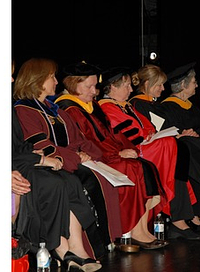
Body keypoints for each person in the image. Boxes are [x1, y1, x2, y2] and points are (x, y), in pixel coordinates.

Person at [13, 57, 122, 261]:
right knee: (86, 180)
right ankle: (86, 249)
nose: (56, 81)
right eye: (51, 77)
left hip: (65, 161)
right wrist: (75, 158)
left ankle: (104, 242)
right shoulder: (24, 109)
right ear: (37, 79)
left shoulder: (55, 110)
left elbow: (77, 140)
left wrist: (88, 153)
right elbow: (39, 145)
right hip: (47, 165)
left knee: (103, 179)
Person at [55, 61, 167, 249]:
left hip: (105, 154)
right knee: (130, 167)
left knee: (143, 165)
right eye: (89, 86)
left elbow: (111, 134)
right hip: (91, 159)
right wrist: (116, 154)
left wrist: (127, 149)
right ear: (74, 84)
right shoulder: (69, 108)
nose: (95, 91)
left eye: (95, 86)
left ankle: (141, 228)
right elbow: (86, 141)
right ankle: (128, 230)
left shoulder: (90, 105)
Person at [98, 67, 200, 240]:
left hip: (147, 146)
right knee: (172, 145)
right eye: (126, 86)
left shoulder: (125, 106)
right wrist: (146, 136)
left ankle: (181, 214)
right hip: (137, 150)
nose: (131, 90)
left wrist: (150, 133)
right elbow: (129, 135)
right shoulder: (107, 108)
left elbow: (146, 126)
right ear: (113, 87)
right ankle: (179, 215)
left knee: (178, 148)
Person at [130, 64, 200, 231]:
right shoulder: (138, 105)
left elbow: (166, 126)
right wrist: (178, 136)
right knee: (183, 147)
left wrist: (182, 133)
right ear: (147, 85)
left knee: (190, 145)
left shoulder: (153, 104)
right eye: (159, 85)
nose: (163, 88)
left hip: (168, 145)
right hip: (150, 150)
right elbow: (150, 131)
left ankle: (194, 210)